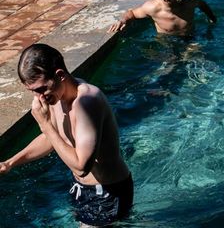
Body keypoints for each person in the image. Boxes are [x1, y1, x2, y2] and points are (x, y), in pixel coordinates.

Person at [0, 44, 133, 226]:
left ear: (60, 75)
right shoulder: (56, 95)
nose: (39, 97)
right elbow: (50, 139)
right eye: (32, 91)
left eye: (40, 89)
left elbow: (81, 166)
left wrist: (44, 124)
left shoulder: (87, 101)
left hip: (108, 191)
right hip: (81, 187)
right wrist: (11, 163)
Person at [108, 0, 216, 35]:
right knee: (170, 65)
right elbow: (132, 13)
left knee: (196, 56)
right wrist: (122, 20)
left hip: (190, 36)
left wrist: (212, 19)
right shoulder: (152, 7)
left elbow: (203, 5)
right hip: (166, 41)